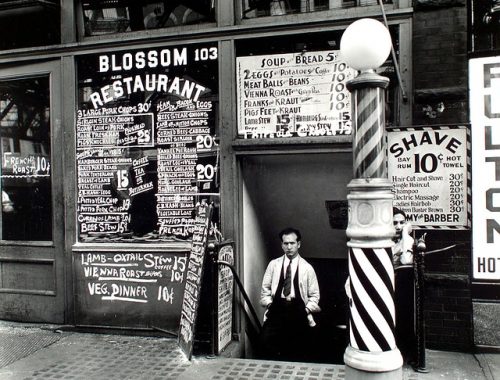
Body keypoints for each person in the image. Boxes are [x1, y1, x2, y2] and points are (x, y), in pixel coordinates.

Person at [259, 227, 320, 361]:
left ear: (299, 244)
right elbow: (265, 291)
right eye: (286, 243)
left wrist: (306, 310)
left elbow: (315, 296)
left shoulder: (307, 268)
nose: (289, 247)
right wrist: (270, 305)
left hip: (298, 310)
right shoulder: (273, 265)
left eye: (292, 243)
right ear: (282, 245)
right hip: (277, 309)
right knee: (267, 343)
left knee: (297, 349)